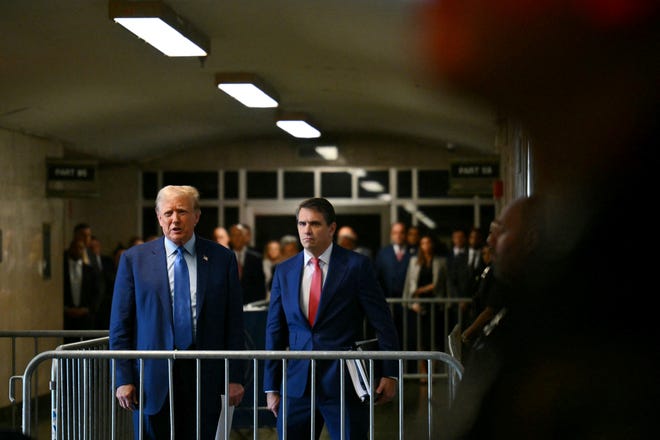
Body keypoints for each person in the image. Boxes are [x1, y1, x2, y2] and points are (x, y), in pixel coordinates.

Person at [109, 185, 246, 439]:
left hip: (206, 377)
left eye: (182, 211)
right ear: (159, 217)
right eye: (168, 212)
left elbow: (234, 323)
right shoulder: (134, 260)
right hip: (152, 380)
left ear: (197, 216)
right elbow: (120, 325)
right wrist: (123, 377)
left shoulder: (222, 259)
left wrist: (235, 376)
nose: (175, 219)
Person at [263, 197, 400, 439]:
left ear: (332, 228)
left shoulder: (357, 266)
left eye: (314, 224)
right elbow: (275, 329)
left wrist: (390, 373)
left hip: (343, 383)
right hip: (297, 385)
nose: (307, 230)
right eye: (302, 223)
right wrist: (271, 386)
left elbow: (383, 322)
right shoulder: (284, 271)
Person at [401, 234, 448, 381]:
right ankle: (423, 373)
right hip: (418, 305)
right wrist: (409, 301)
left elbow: (441, 285)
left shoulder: (440, 261)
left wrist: (421, 290)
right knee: (420, 340)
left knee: (434, 339)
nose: (425, 245)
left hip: (434, 304)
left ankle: (432, 371)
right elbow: (409, 283)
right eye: (423, 243)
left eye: (428, 242)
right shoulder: (414, 261)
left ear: (432, 244)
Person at [374, 222, 414, 348]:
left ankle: (409, 367)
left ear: (406, 235)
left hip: (408, 305)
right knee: (391, 338)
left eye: (401, 232)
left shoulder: (414, 253)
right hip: (388, 304)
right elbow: (377, 277)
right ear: (391, 235)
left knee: (409, 339)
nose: (398, 235)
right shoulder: (383, 253)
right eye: (395, 232)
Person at [63, 239, 99, 337]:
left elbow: (96, 293)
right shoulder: (61, 269)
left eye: (80, 248)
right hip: (66, 319)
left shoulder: (90, 271)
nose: (77, 250)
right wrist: (66, 309)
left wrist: (87, 309)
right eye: (75, 247)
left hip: (86, 318)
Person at [229, 223, 266, 305]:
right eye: (234, 235)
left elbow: (260, 287)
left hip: (251, 306)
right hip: (229, 306)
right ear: (230, 238)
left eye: (240, 235)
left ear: (245, 237)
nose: (237, 238)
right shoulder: (223, 257)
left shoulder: (256, 258)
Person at [88, 236, 116, 330]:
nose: (94, 249)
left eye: (96, 246)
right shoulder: (86, 262)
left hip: (107, 302)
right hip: (93, 304)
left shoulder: (107, 261)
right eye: (91, 247)